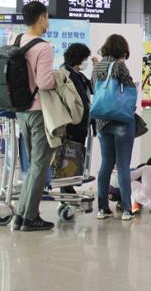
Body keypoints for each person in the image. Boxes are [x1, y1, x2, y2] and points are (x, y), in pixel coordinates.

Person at [11, 1, 56, 232]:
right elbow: (44, 82)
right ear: (41, 18)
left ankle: (20, 214)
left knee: (33, 164)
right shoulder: (44, 47)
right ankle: (30, 217)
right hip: (38, 111)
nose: (48, 21)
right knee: (40, 164)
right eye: (47, 17)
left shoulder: (16, 40)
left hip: (20, 110)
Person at [92, 34, 137, 221]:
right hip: (121, 121)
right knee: (123, 165)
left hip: (102, 121)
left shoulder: (97, 67)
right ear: (122, 50)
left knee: (106, 164)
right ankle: (126, 208)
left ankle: (102, 208)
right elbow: (129, 91)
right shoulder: (119, 66)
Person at [61, 43, 93, 194]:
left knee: (76, 152)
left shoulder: (76, 74)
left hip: (80, 123)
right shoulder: (65, 74)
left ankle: (69, 185)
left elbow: (90, 88)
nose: (85, 61)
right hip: (72, 123)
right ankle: (66, 187)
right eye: (85, 58)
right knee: (70, 154)